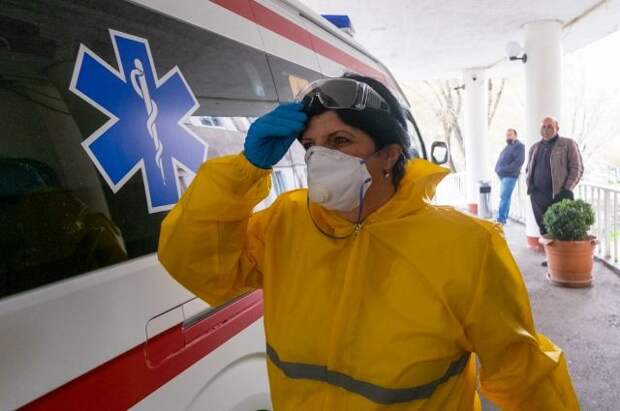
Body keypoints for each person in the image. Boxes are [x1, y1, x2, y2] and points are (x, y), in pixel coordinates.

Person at [159, 75, 578, 410]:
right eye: (310, 146)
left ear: (389, 155)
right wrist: (244, 170)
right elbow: (193, 262)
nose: (319, 158)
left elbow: (524, 373)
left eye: (339, 141)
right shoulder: (285, 223)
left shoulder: (466, 245)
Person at [526, 117, 584, 265]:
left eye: (550, 126)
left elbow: (577, 168)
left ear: (557, 128)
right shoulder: (535, 147)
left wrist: (567, 189)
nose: (546, 129)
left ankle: (565, 261)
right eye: (543, 126)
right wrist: (531, 187)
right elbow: (528, 169)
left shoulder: (567, 144)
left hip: (559, 195)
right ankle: (551, 258)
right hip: (537, 196)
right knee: (544, 228)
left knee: (561, 228)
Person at [494, 128, 525, 225]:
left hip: (510, 176)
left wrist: (503, 170)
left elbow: (518, 162)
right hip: (503, 176)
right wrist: (497, 169)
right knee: (506, 197)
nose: (508, 137)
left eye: (510, 135)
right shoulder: (508, 147)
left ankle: (501, 219)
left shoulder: (519, 146)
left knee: (504, 197)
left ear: (516, 136)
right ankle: (503, 218)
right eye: (507, 135)